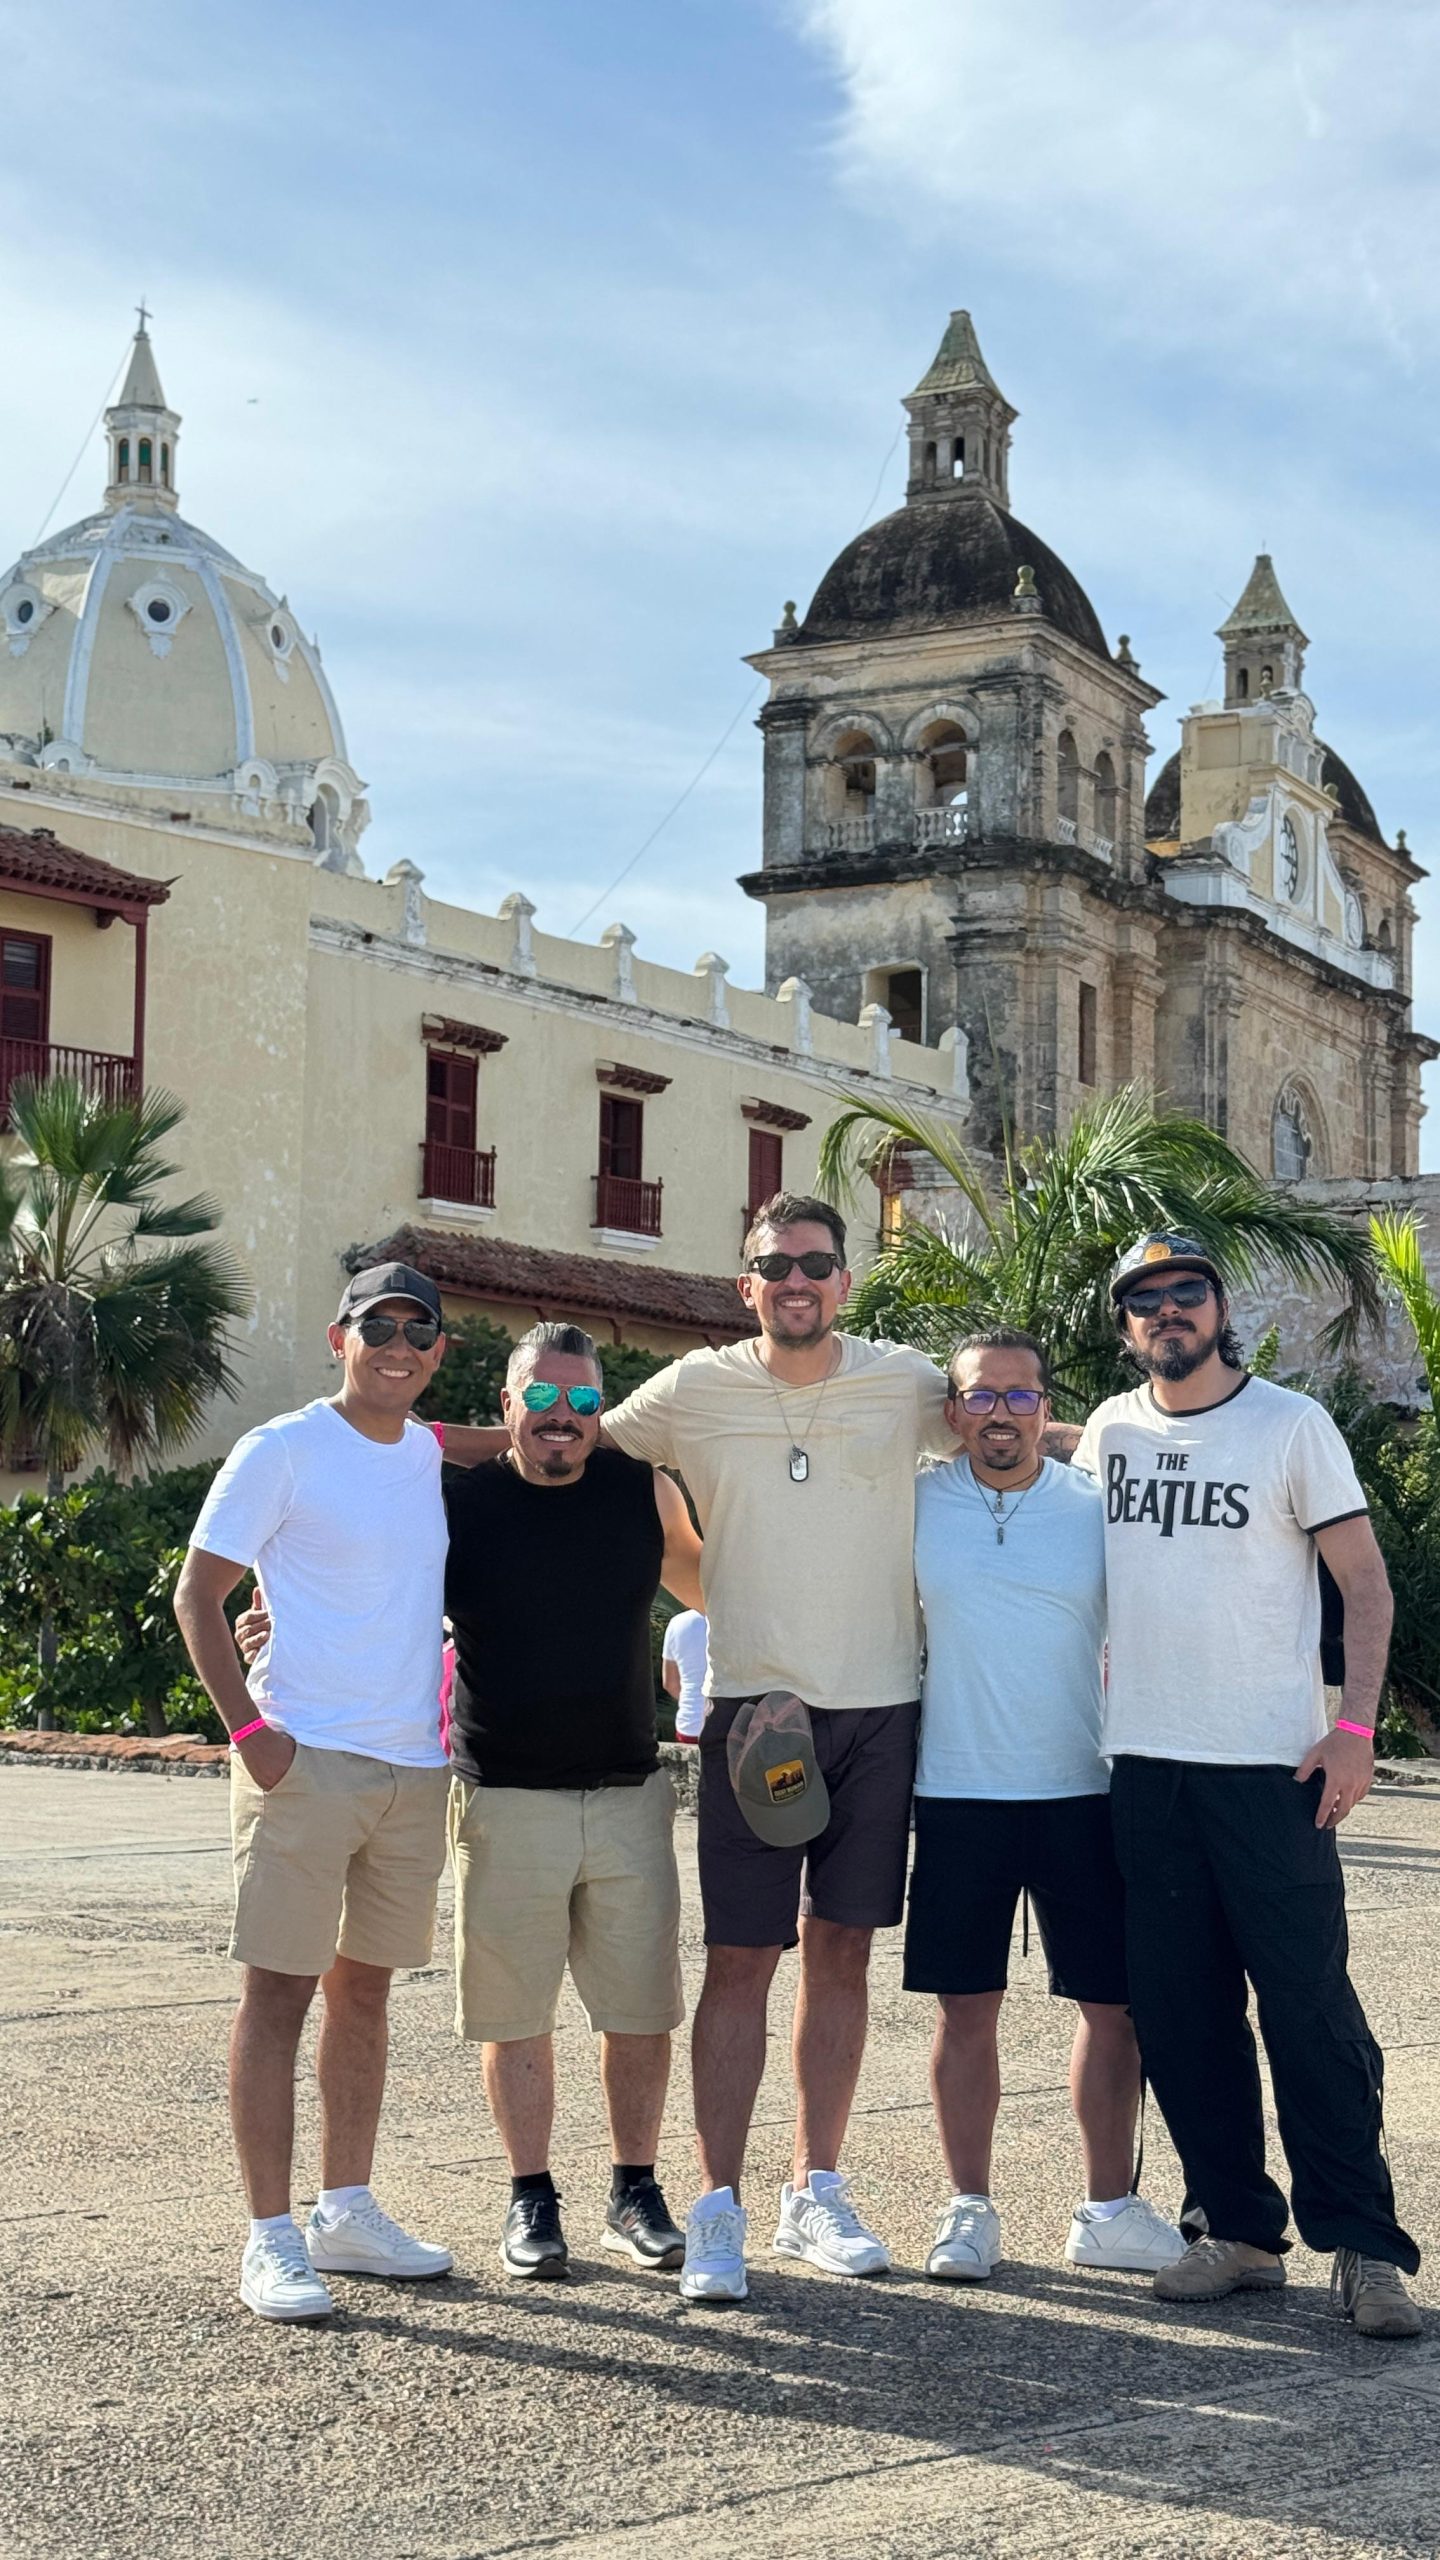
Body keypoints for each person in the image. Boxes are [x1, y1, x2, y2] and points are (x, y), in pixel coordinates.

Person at [601, 1191, 955, 2301]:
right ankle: (718, 2206)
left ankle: (816, 2188)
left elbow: (1015, 1429)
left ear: (845, 1279)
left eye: (815, 1262)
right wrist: (392, 1450)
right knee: (743, 1960)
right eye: (774, 1265)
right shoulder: (696, 1389)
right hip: (758, 1714)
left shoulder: (905, 1380)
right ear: (743, 1283)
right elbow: (570, 1457)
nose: (796, 1280)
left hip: (880, 1710)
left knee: (843, 1951)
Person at [1074, 1232, 1421, 2340]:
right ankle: (1237, 2230)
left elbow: (1365, 1589)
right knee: (1182, 2018)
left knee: (1311, 2012)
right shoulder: (1110, 1435)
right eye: (1146, 1300)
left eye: (1188, 1292)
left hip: (1274, 1772)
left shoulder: (1291, 1425)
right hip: (1147, 1768)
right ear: (1126, 1324)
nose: (1169, 1311)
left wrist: (1356, 1726)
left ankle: (1366, 2246)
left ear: (1221, 1308)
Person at [174, 1262, 457, 2323]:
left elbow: (513, 1448)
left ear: (437, 1351)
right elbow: (199, 1593)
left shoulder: (427, 1449)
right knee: (278, 1997)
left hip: (411, 1770)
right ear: (338, 1335)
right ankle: (269, 2235)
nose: (396, 1343)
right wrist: (250, 1733)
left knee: (366, 1996)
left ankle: (344, 2210)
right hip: (303, 1764)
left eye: (415, 1328)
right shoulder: (281, 1447)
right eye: (375, 1324)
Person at [908, 1328, 1184, 2284]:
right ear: (954, 1411)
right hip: (955, 1792)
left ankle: (1107, 2210)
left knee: (1114, 2011)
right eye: (983, 1396)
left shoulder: (1097, 1510)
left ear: (1045, 1410)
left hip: (1083, 1790)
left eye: (1022, 1397)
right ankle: (969, 2211)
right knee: (965, 2012)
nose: (1001, 1413)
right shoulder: (910, 1505)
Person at [442, 1323, 704, 2279]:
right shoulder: (462, 1506)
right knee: (516, 2015)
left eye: (585, 1401)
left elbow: (708, 1588)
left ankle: (633, 2190)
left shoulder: (643, 1490)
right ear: (507, 1403)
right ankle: (530, 2199)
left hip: (629, 1790)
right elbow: (369, 1585)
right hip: (504, 1795)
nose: (564, 1418)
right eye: (543, 1400)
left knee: (639, 2010)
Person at [661, 1608, 709, 1743]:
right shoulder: (737, 1619)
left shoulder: (677, 1622)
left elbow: (670, 1684)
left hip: (690, 1724)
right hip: (730, 1724)